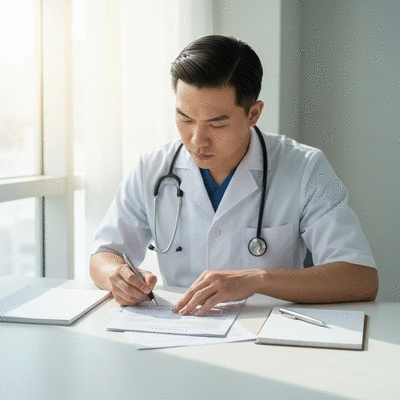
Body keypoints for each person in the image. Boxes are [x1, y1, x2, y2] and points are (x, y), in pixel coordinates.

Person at [90, 35, 378, 316]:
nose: (196, 140)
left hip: (266, 336)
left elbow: (360, 279)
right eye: (185, 119)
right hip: (180, 328)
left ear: (253, 114)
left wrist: (257, 279)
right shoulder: (152, 168)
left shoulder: (304, 167)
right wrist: (116, 274)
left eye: (217, 124)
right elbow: (104, 253)